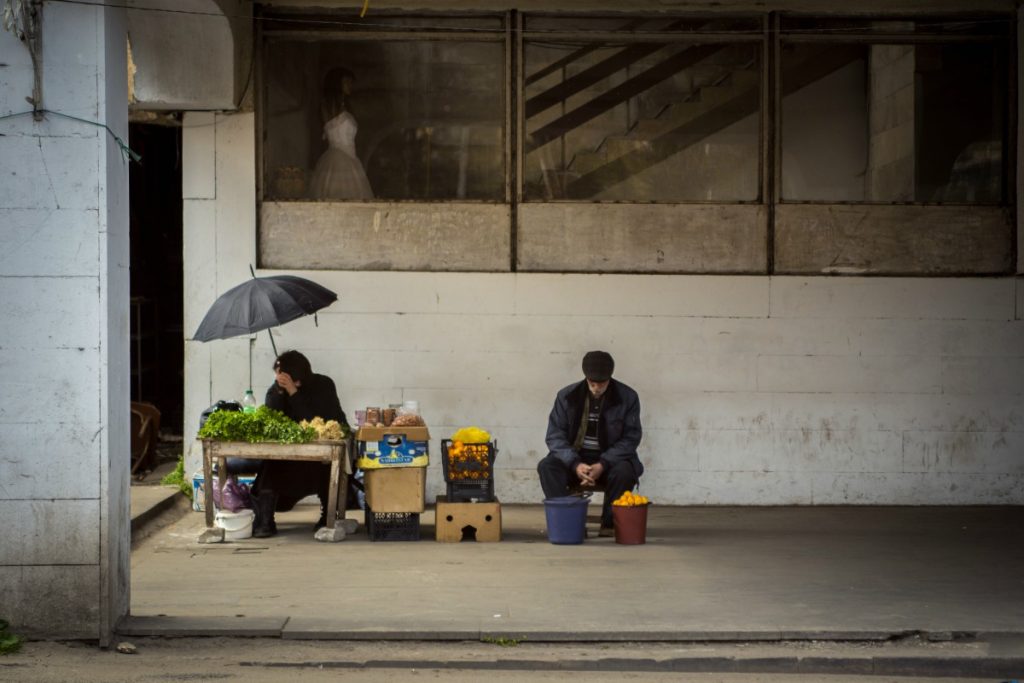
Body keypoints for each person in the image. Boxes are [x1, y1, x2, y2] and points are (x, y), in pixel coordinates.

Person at [537, 351, 643, 537]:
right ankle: (567, 521)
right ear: (586, 377)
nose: (596, 388)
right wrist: (575, 464)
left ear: (609, 378)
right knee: (547, 466)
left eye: (601, 384)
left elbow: (631, 438)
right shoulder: (566, 396)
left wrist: (603, 464)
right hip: (575, 459)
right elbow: (555, 436)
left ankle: (610, 523)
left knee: (625, 471)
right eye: (592, 383)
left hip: (610, 461)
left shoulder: (627, 397)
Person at [250, 350, 349, 538]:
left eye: (291, 380)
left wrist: (294, 394)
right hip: (287, 458)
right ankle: (265, 521)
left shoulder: (323, 385)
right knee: (269, 466)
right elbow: (272, 416)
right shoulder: (276, 389)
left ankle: (327, 517)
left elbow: (320, 420)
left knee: (330, 467)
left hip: (319, 458)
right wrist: (280, 391)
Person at [309, 67, 374, 200]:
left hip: (352, 160)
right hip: (337, 159)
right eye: (346, 82)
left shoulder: (345, 106)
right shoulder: (328, 105)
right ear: (337, 84)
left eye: (351, 82)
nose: (350, 85)